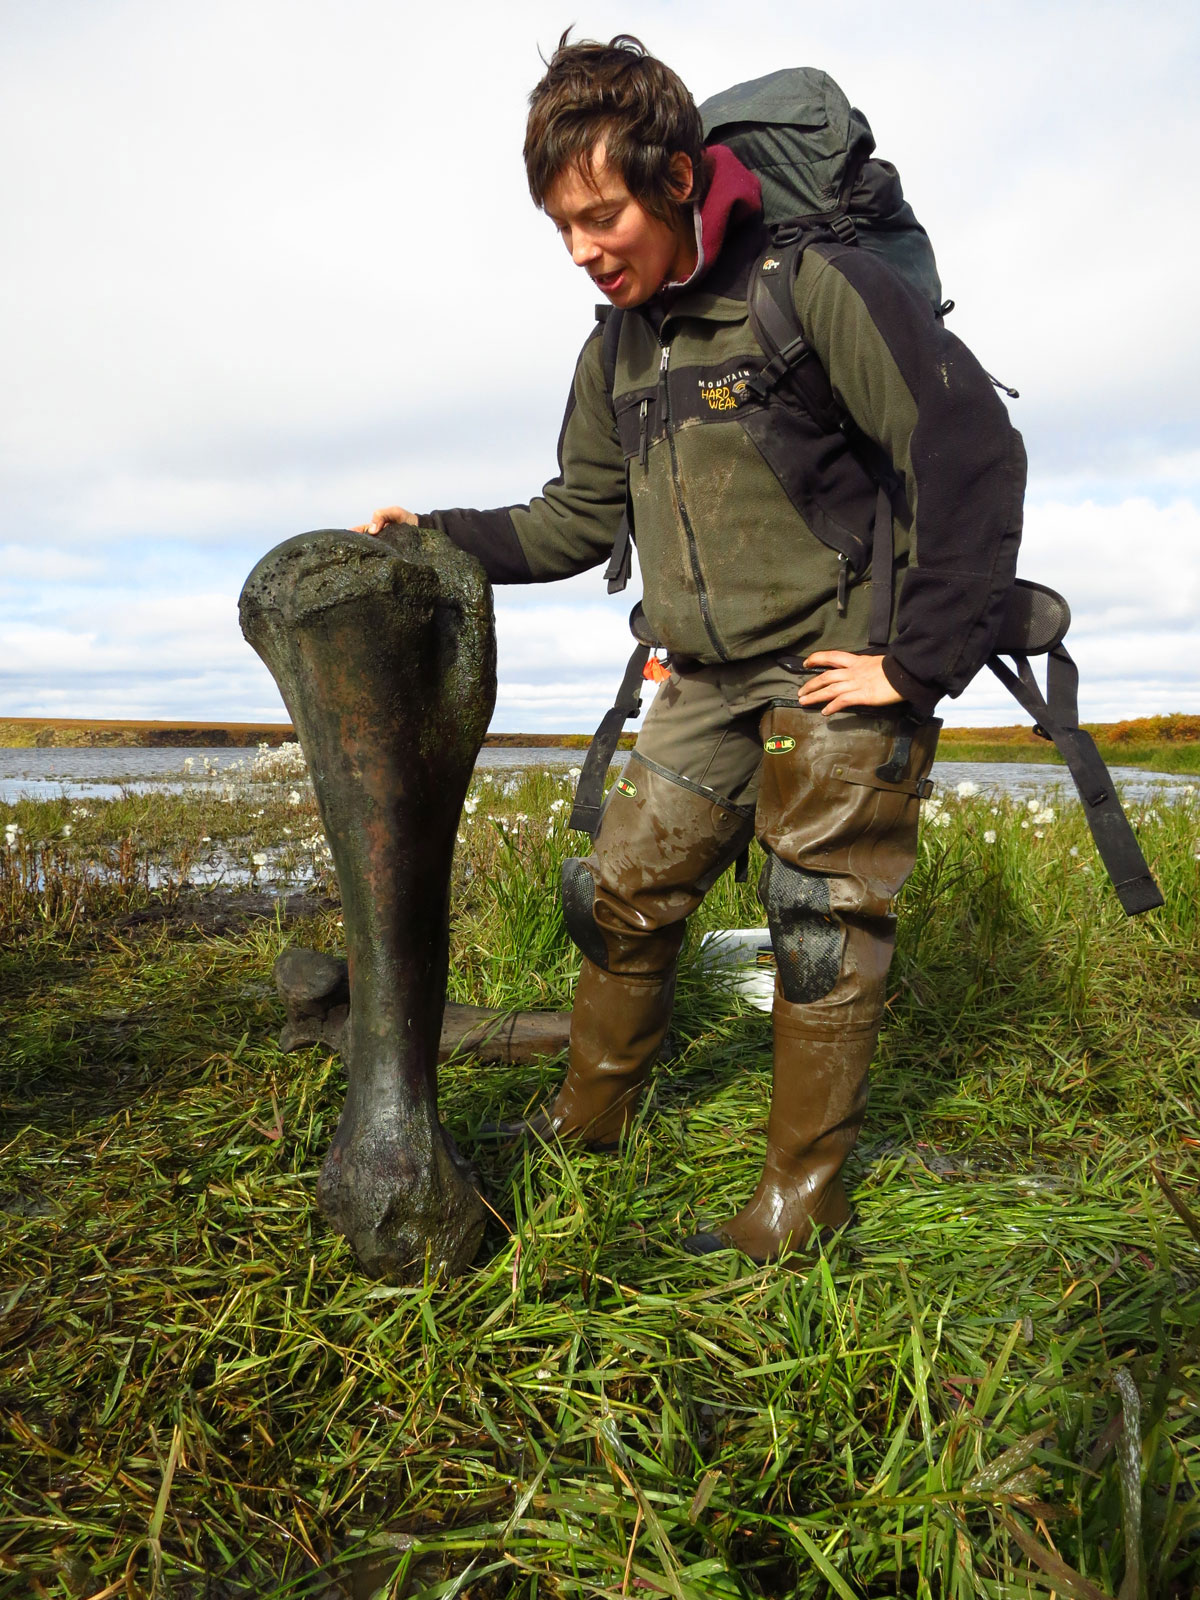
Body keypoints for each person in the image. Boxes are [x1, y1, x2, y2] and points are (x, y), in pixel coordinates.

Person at [354, 33, 1025, 1262]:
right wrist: (434, 537)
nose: (583, 251)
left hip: (841, 651)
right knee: (620, 891)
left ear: (673, 177)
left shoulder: (811, 283)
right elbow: (569, 520)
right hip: (701, 674)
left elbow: (970, 454)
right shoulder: (615, 348)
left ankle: (796, 1208)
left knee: (817, 919)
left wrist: (917, 662)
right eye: (560, 227)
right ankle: (587, 1121)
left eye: (600, 214)